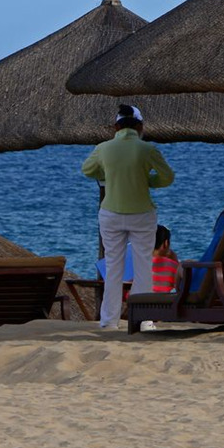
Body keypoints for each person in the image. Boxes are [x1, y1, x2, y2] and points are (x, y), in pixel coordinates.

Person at [80, 103, 174, 329]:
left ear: (116, 127)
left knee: (113, 267)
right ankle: (143, 320)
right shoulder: (147, 149)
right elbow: (168, 177)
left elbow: (87, 170)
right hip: (141, 213)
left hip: (111, 213)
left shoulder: (103, 148)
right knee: (143, 266)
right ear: (140, 126)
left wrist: (109, 177)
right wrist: (147, 181)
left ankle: (109, 322)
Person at [151, 225, 180, 294]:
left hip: (142, 303)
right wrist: (175, 261)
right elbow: (179, 286)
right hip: (165, 303)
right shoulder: (174, 266)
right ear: (166, 243)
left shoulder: (141, 264)